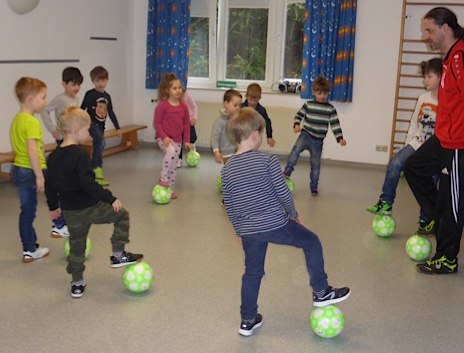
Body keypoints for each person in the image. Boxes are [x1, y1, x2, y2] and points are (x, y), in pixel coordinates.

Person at [222, 107, 350, 337]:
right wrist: (293, 213)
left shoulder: (228, 167)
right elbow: (282, 191)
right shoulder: (268, 160)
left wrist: (239, 231)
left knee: (252, 273)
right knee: (311, 242)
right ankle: (321, 291)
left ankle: (247, 320)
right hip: (275, 224)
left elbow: (229, 205)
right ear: (255, 134)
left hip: (249, 230)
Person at [45, 107, 144, 298]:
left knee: (76, 246)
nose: (89, 133)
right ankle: (117, 254)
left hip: (71, 212)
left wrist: (53, 206)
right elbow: (89, 185)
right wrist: (111, 198)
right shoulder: (80, 155)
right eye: (87, 129)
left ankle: (77, 284)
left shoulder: (54, 157)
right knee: (122, 215)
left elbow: (51, 185)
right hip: (91, 207)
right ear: (76, 129)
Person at [404, 7, 464, 274]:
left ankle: (447, 258)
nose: (425, 36)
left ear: (445, 28)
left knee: (452, 202)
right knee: (414, 168)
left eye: (429, 30)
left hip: (459, 143)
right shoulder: (449, 57)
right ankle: (436, 216)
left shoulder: (460, 56)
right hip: (443, 138)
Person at [367, 58, 442, 235]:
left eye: (429, 76)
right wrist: (408, 143)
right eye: (425, 76)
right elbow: (414, 122)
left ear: (440, 77)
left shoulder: (446, 103)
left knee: (429, 182)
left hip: (434, 150)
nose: (425, 80)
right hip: (417, 143)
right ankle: (386, 202)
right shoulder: (422, 98)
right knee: (395, 163)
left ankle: (426, 219)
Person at [10, 77, 68, 262]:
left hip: (18, 170)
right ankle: (59, 225)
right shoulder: (32, 122)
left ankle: (29, 249)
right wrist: (39, 177)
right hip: (33, 169)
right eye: (43, 97)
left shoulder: (17, 120)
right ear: (30, 100)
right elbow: (32, 150)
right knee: (58, 192)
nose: (45, 101)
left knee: (27, 211)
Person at [283, 76, 346, 196]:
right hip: (305, 135)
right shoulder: (308, 105)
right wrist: (296, 125)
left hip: (318, 141)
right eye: (319, 93)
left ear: (328, 93)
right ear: (313, 92)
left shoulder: (330, 109)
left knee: (316, 165)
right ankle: (288, 169)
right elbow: (298, 115)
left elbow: (335, 124)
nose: (322, 96)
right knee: (296, 149)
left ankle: (314, 185)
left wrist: (340, 138)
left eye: (325, 93)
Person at [154, 72, 194, 198]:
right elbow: (157, 123)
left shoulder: (183, 106)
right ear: (167, 90)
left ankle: (170, 189)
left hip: (177, 140)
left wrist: (186, 141)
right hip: (163, 138)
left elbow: (186, 124)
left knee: (174, 166)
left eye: (179, 88)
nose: (178, 90)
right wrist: (164, 137)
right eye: (174, 88)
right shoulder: (162, 106)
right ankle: (163, 178)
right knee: (170, 151)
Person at [80, 66, 121, 186]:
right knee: (99, 140)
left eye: (103, 80)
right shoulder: (90, 94)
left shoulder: (107, 97)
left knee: (101, 144)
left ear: (107, 81)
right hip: (91, 123)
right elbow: (82, 109)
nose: (100, 83)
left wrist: (117, 127)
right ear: (93, 81)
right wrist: (79, 123)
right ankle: (97, 169)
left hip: (101, 125)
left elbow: (111, 112)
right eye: (97, 81)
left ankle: (92, 168)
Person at [41, 67, 83, 144]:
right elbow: (44, 110)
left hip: (73, 136)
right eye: (73, 84)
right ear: (64, 84)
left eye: (79, 84)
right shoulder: (60, 98)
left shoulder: (76, 99)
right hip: (62, 137)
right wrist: (52, 129)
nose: (77, 88)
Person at [211, 89, 242, 165]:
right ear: (226, 104)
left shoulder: (237, 119)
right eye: (235, 105)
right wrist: (216, 151)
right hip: (227, 154)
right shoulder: (219, 122)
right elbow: (214, 138)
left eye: (239, 105)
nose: (238, 108)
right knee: (230, 172)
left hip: (239, 152)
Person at [241, 83, 276, 147]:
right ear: (246, 96)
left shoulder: (261, 110)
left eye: (255, 101)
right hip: (241, 134)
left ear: (260, 98)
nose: (252, 102)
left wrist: (269, 136)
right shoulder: (241, 107)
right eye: (250, 100)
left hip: (254, 136)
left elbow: (267, 123)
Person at [177, 89, 198, 168]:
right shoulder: (172, 97)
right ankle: (179, 159)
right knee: (179, 141)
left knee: (192, 137)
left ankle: (193, 153)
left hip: (189, 121)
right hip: (179, 122)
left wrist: (194, 118)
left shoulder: (186, 94)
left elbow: (194, 106)